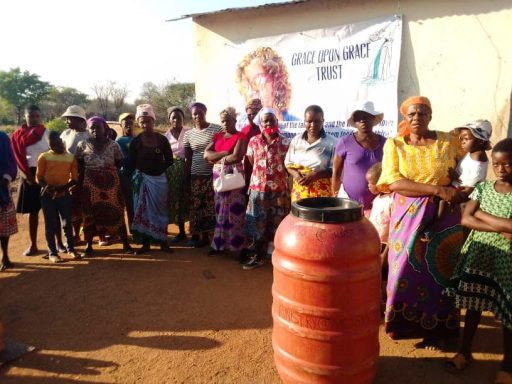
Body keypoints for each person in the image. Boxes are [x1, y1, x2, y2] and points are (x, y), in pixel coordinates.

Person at [377, 96, 466, 348]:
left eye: (423, 113)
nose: (417, 118)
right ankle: (405, 326)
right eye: (412, 114)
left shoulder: (448, 141)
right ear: (405, 117)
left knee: (441, 270)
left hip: (444, 214)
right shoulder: (395, 145)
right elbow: (393, 181)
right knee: (403, 268)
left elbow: (468, 160)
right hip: (408, 214)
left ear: (431, 116)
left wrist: (460, 182)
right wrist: (438, 190)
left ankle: (441, 331)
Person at [444, 138, 512, 383]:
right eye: (497, 164)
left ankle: (508, 363)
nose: (501, 169)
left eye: (507, 164)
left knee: (507, 313)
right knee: (472, 305)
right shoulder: (483, 189)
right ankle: (464, 351)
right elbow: (466, 219)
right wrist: (496, 225)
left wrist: (481, 215)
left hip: (506, 262)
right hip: (479, 255)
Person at [422, 119, 491, 242]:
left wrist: (455, 181)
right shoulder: (472, 153)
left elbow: (469, 184)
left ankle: (433, 228)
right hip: (458, 185)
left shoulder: (478, 160)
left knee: (442, 201)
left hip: (463, 191)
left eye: (466, 139)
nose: (462, 142)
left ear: (480, 141)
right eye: (462, 139)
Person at [75, 116, 134, 256]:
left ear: (104, 128)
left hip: (111, 186)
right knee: (90, 214)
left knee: (117, 212)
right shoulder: (82, 145)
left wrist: (107, 172)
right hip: (90, 186)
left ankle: (125, 243)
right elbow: (79, 165)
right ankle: (89, 245)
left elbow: (119, 163)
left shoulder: (114, 145)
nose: (95, 130)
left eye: (98, 127)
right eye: (92, 128)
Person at [242, 108, 290, 270]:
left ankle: (274, 255)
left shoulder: (285, 143)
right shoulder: (254, 141)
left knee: (277, 223)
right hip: (257, 190)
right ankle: (257, 255)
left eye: (272, 120)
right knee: (257, 223)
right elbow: (250, 160)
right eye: (265, 121)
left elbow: (288, 166)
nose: (268, 123)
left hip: (279, 191)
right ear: (261, 124)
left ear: (277, 122)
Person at [129, 104, 173, 254]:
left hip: (159, 181)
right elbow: (131, 162)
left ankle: (163, 242)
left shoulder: (162, 140)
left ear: (153, 121)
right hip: (142, 181)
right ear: (138, 123)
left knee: (160, 211)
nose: (145, 125)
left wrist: (159, 170)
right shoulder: (135, 142)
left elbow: (169, 160)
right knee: (143, 212)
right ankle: (145, 244)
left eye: (148, 121)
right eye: (142, 122)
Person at [204, 107, 247, 256]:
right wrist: (224, 154)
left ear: (235, 121)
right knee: (219, 210)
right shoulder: (217, 136)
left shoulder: (241, 136)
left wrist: (216, 159)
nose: (225, 123)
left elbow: (237, 157)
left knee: (235, 211)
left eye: (228, 120)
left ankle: (237, 247)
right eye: (223, 121)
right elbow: (206, 155)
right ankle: (219, 245)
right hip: (219, 177)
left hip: (234, 176)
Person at [331, 100, 386, 216]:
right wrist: (335, 196)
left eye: (366, 116)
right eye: (358, 117)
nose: (362, 120)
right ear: (354, 121)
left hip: (378, 204)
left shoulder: (385, 143)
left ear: (373, 118)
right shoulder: (345, 142)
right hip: (348, 204)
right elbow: (336, 172)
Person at [36, 131, 81, 262]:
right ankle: (52, 253)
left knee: (67, 222)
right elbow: (39, 178)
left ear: (62, 141)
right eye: (53, 145)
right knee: (50, 223)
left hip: (64, 194)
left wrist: (63, 188)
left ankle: (71, 249)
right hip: (47, 195)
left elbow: (75, 178)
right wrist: (48, 187)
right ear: (49, 146)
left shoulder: (70, 158)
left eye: (58, 143)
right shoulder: (44, 157)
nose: (57, 146)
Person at [10, 104, 49, 256]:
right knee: (33, 213)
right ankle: (33, 245)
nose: (34, 119)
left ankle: (56, 243)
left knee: (51, 211)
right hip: (27, 175)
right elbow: (17, 159)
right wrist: (28, 177)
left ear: (40, 117)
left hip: (46, 174)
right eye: (30, 116)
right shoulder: (17, 136)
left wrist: (47, 176)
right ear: (25, 117)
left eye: (37, 116)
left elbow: (52, 152)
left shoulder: (45, 133)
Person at [183, 102, 221, 248]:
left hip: (213, 175)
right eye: (195, 114)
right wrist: (187, 178)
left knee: (211, 206)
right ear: (192, 116)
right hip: (196, 176)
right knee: (197, 206)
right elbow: (188, 158)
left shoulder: (216, 129)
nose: (197, 116)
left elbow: (221, 148)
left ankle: (211, 236)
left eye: (200, 113)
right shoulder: (188, 135)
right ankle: (200, 236)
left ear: (205, 112)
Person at [285, 105, 336, 202]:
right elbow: (288, 164)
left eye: (317, 121)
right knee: (300, 217)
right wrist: (296, 175)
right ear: (304, 121)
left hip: (322, 193)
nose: (312, 125)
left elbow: (335, 169)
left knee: (319, 216)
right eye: (309, 121)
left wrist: (316, 175)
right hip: (300, 191)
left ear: (323, 121)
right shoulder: (296, 141)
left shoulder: (332, 142)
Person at [236, 47, 297, 122]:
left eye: (258, 80)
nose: (252, 90)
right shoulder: (240, 126)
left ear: (276, 81)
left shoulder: (295, 125)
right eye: (246, 85)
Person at [60, 105, 90, 243]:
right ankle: (75, 234)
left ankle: (93, 234)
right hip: (69, 177)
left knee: (88, 206)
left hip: (87, 176)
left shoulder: (89, 136)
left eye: (69, 119)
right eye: (66, 119)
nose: (67, 121)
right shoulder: (65, 134)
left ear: (80, 120)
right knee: (72, 207)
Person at [164, 106, 190, 243]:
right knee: (176, 199)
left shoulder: (189, 132)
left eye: (179, 117)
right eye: (173, 117)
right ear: (169, 120)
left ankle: (195, 231)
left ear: (183, 119)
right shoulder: (165, 136)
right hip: (172, 173)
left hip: (188, 168)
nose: (176, 120)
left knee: (188, 198)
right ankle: (181, 232)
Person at [0, 130, 18, 271]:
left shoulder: (3, 138)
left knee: (3, 224)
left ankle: (5, 256)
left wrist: (5, 178)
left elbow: (11, 161)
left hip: (1, 188)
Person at [116, 112, 136, 231]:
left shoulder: (137, 139)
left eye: (131, 123)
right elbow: (121, 160)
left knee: (137, 202)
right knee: (129, 202)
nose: (129, 126)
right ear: (121, 125)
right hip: (125, 175)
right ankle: (132, 228)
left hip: (138, 174)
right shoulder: (119, 141)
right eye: (126, 123)